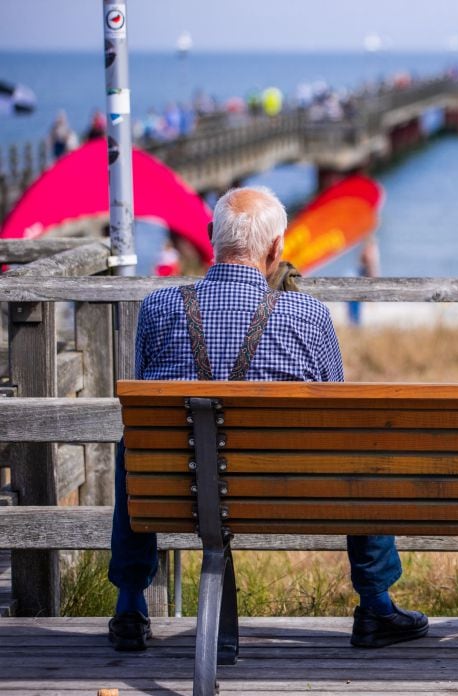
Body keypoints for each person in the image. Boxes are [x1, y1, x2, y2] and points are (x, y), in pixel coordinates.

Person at [108, 186, 428, 652]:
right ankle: (376, 603)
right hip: (288, 492)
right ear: (277, 248)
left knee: (134, 445)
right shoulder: (310, 315)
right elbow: (339, 416)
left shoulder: (157, 309)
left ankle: (130, 604)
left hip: (183, 492)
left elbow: (148, 403)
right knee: (361, 444)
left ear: (212, 237)